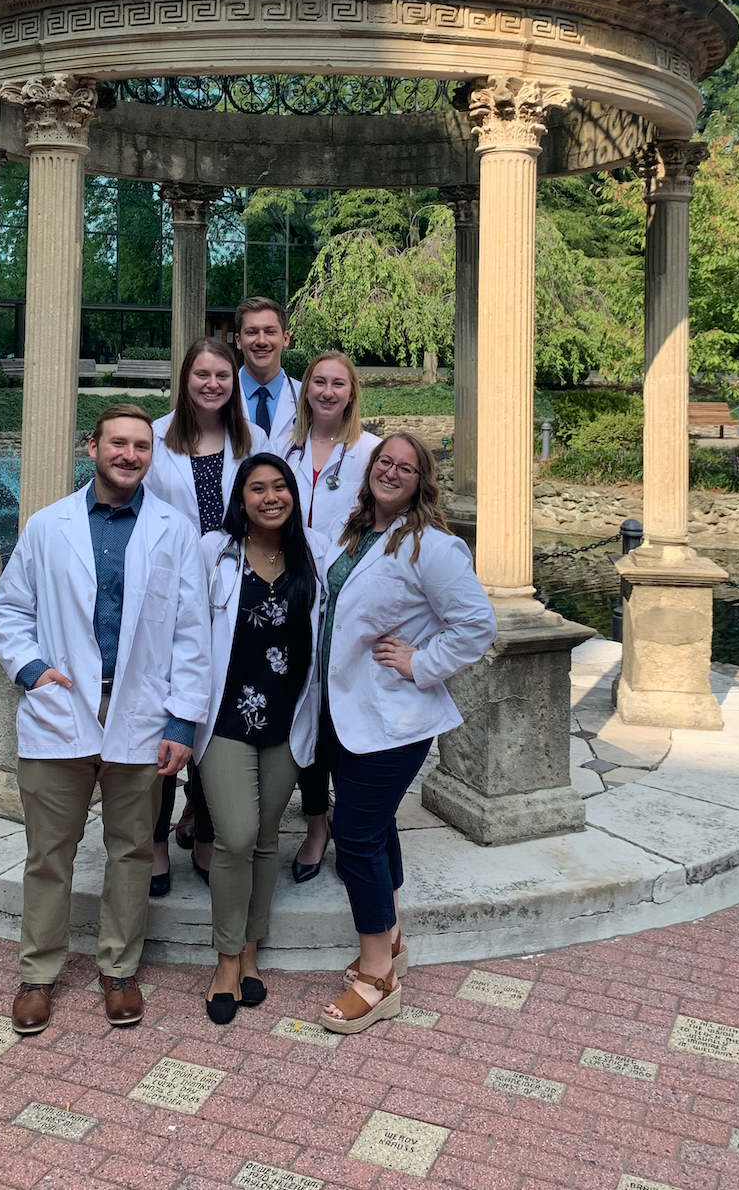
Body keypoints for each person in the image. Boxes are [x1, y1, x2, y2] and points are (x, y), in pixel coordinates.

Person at [0, 405, 209, 1033]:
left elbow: (194, 634)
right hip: (62, 707)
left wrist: (180, 723)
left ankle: (118, 968)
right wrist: (31, 671)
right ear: (93, 447)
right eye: (118, 443)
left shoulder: (174, 530)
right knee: (48, 853)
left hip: (139, 712)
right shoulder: (46, 526)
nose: (130, 455)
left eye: (142, 446)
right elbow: (9, 611)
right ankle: (38, 973)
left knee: (132, 850)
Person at [316, 434, 496, 1035]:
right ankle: (390, 942)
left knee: (356, 836)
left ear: (422, 482)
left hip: (394, 717)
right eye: (384, 462)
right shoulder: (358, 532)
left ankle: (377, 979)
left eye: (406, 467)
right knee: (378, 827)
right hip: (351, 710)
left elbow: (476, 626)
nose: (391, 472)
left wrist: (419, 662)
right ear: (370, 471)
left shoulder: (434, 547)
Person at [195, 453, 326, 1023]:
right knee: (237, 834)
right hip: (224, 718)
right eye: (257, 488)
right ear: (240, 498)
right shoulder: (213, 552)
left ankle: (252, 950)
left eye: (280, 487)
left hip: (287, 717)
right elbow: (184, 629)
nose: (270, 497)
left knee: (268, 836)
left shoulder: (314, 554)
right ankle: (226, 958)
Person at [143, 338, 268, 894]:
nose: (213, 383)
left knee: (217, 707)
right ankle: (153, 840)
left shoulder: (253, 438)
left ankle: (205, 824)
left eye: (222, 374)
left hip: (232, 591)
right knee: (167, 706)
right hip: (168, 589)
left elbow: (268, 506)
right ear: (185, 379)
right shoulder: (157, 436)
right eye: (202, 374)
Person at [277, 350, 380, 884]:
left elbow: (392, 526)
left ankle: (356, 822)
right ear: (306, 389)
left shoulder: (372, 453)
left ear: (351, 393)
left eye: (338, 383)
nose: (327, 391)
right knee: (306, 715)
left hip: (349, 600)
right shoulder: (283, 447)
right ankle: (316, 825)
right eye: (318, 381)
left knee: (344, 715)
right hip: (294, 596)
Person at [234, 296, 300, 445]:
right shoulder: (219, 398)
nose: (262, 341)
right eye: (252, 332)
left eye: (270, 332)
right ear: (238, 341)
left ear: (285, 339)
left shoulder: (306, 399)